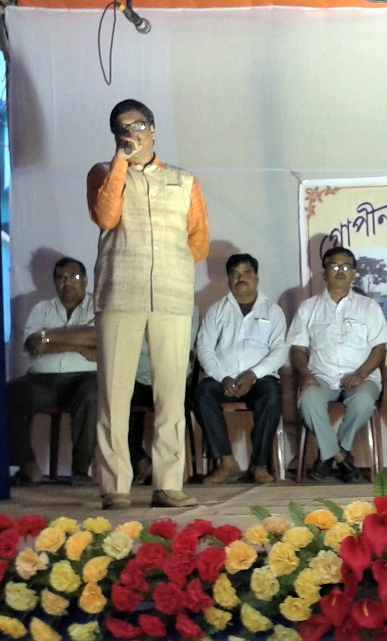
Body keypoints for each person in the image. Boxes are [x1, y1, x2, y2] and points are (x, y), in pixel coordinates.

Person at [87, 98, 208, 510]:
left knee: (171, 393)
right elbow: (106, 217)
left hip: (172, 295)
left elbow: (199, 241)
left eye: (138, 125)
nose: (131, 133)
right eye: (122, 128)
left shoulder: (184, 180)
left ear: (153, 129)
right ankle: (115, 486)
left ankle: (168, 484)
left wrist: (172, 265)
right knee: (114, 394)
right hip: (120, 291)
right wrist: (121, 162)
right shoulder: (104, 172)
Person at [288, 247, 387, 483]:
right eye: (334, 266)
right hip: (321, 377)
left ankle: (329, 455)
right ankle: (341, 457)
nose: (340, 271)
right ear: (324, 273)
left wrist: (361, 374)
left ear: (354, 273)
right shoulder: (308, 307)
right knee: (308, 400)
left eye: (346, 267)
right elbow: (298, 349)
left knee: (363, 401)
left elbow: (380, 348)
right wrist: (307, 375)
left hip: (361, 378)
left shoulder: (368, 307)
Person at [193, 253, 288, 484]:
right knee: (202, 394)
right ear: (228, 279)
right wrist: (222, 377)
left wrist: (253, 374)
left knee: (272, 396)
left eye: (246, 273)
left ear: (257, 278)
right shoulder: (216, 310)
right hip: (223, 379)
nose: (240, 278)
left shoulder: (273, 311)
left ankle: (259, 465)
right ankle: (227, 463)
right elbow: (204, 348)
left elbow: (280, 350)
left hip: (259, 379)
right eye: (234, 274)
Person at [6, 257, 98, 486]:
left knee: (92, 395)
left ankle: (80, 471)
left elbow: (97, 337)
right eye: (61, 278)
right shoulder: (42, 308)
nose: (68, 282)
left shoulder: (97, 306)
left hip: (83, 381)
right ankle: (28, 465)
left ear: (85, 280)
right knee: (3, 396)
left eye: (74, 277)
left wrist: (49, 336)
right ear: (55, 282)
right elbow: (34, 346)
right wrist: (80, 345)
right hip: (42, 382)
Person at [129, 305, 199, 485]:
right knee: (115, 407)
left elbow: (181, 344)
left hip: (173, 378)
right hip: (137, 377)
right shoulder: (135, 307)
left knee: (171, 410)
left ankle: (168, 475)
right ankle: (140, 460)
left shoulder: (189, 308)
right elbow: (129, 344)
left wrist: (147, 341)